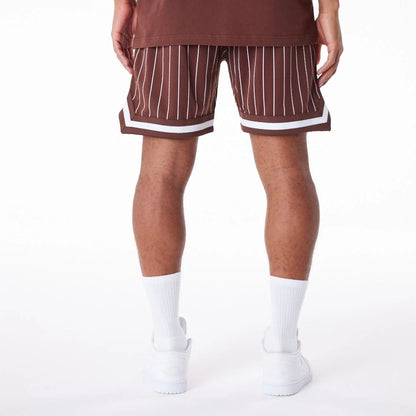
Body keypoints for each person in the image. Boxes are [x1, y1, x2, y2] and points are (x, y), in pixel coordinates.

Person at [111, 0, 343, 396]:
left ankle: (168, 351)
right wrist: (330, 11)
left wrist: (123, 4)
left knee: (161, 173)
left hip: (172, 13)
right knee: (286, 173)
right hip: (274, 13)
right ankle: (283, 353)